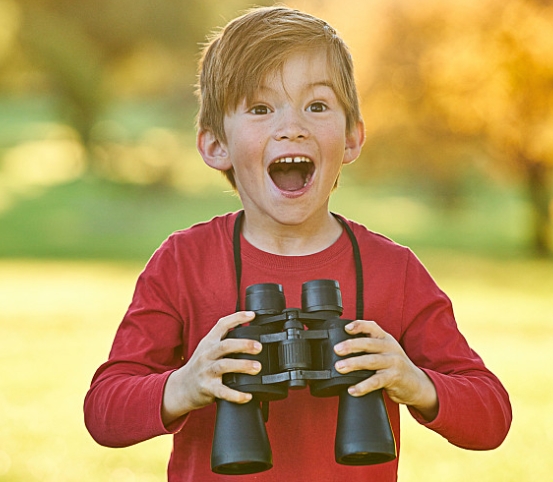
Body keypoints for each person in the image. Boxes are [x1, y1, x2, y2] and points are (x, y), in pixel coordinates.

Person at [84, 6, 512, 481]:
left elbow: (491, 417)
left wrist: (416, 382)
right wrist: (184, 385)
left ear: (351, 138)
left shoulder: (394, 270)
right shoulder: (183, 263)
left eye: (317, 106)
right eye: (261, 109)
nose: (292, 127)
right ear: (214, 145)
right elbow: (104, 411)